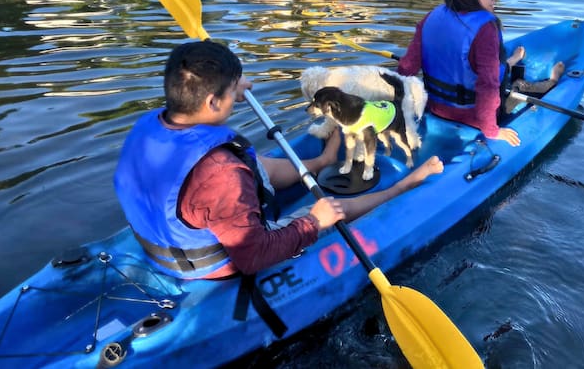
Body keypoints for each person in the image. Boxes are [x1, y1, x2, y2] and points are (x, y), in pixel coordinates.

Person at [113, 40, 443, 281]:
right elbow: (254, 255)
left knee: (252, 163)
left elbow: (233, 170)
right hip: (218, 264)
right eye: (234, 89)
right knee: (330, 206)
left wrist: (231, 85)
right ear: (212, 101)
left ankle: (320, 162)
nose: (244, 89)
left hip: (168, 241)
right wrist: (314, 222)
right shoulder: (221, 174)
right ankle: (404, 186)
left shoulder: (152, 123)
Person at [397, 0, 563, 147]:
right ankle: (552, 81)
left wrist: (398, 109)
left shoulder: (431, 16)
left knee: (493, 68)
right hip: (471, 115)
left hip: (434, 108)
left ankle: (511, 61)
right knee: (515, 86)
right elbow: (488, 85)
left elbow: (407, 68)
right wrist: (492, 130)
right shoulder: (485, 29)